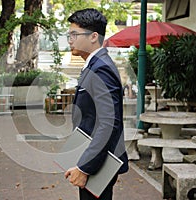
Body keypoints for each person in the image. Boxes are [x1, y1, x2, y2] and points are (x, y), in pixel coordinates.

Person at [64, 8, 129, 200]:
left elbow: (109, 123)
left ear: (94, 36)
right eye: (69, 35)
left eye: (74, 34)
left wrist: (85, 167)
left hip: (98, 162)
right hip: (92, 156)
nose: (70, 40)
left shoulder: (101, 69)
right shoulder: (94, 65)